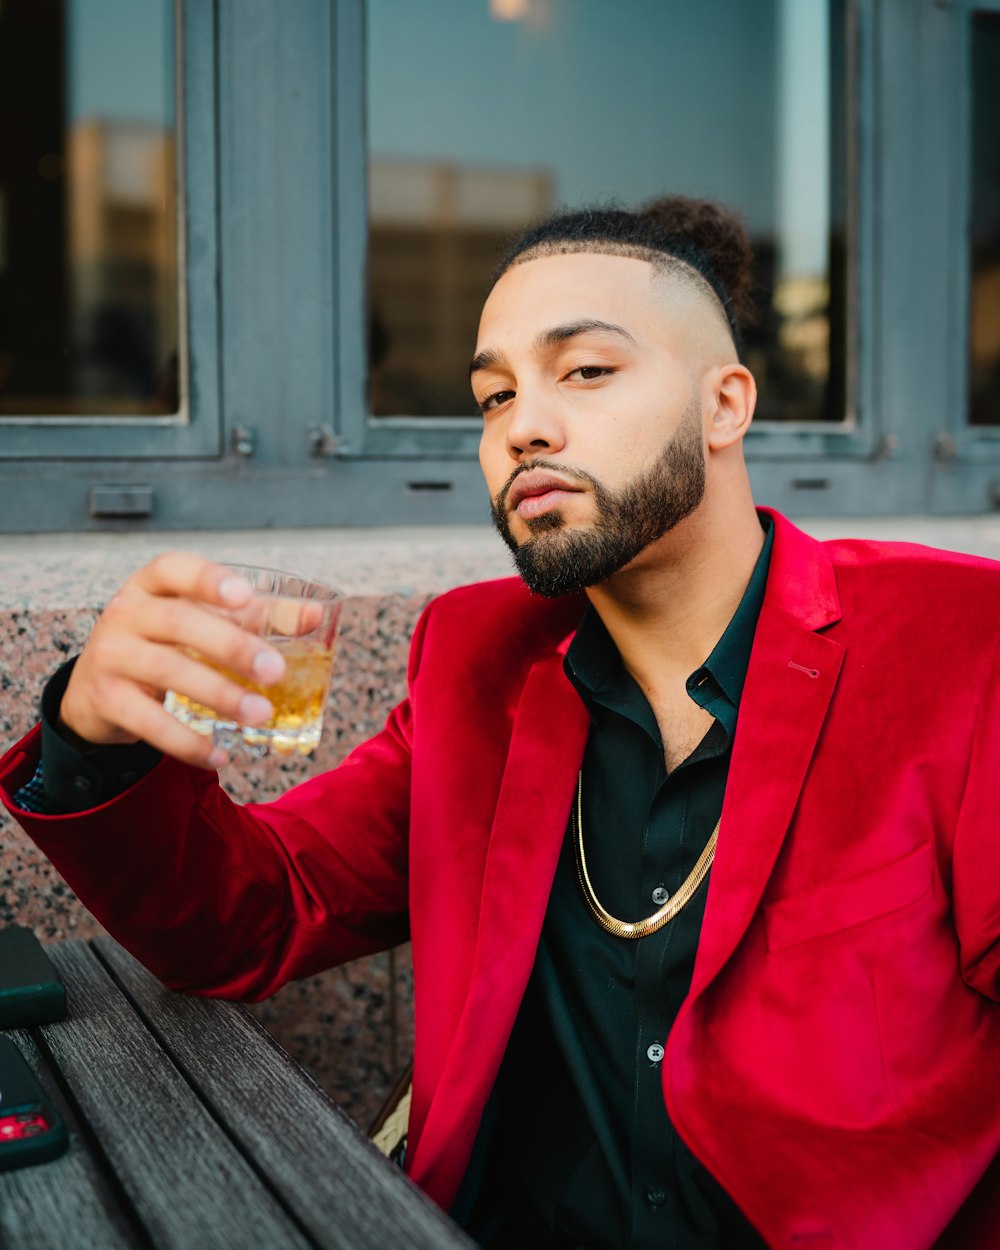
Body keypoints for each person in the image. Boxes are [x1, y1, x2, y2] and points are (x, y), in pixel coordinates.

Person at [2, 197, 999, 1250]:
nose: (522, 423)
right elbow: (254, 916)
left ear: (725, 403)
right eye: (492, 393)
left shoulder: (956, 644)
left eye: (584, 371)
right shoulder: (478, 659)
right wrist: (91, 734)